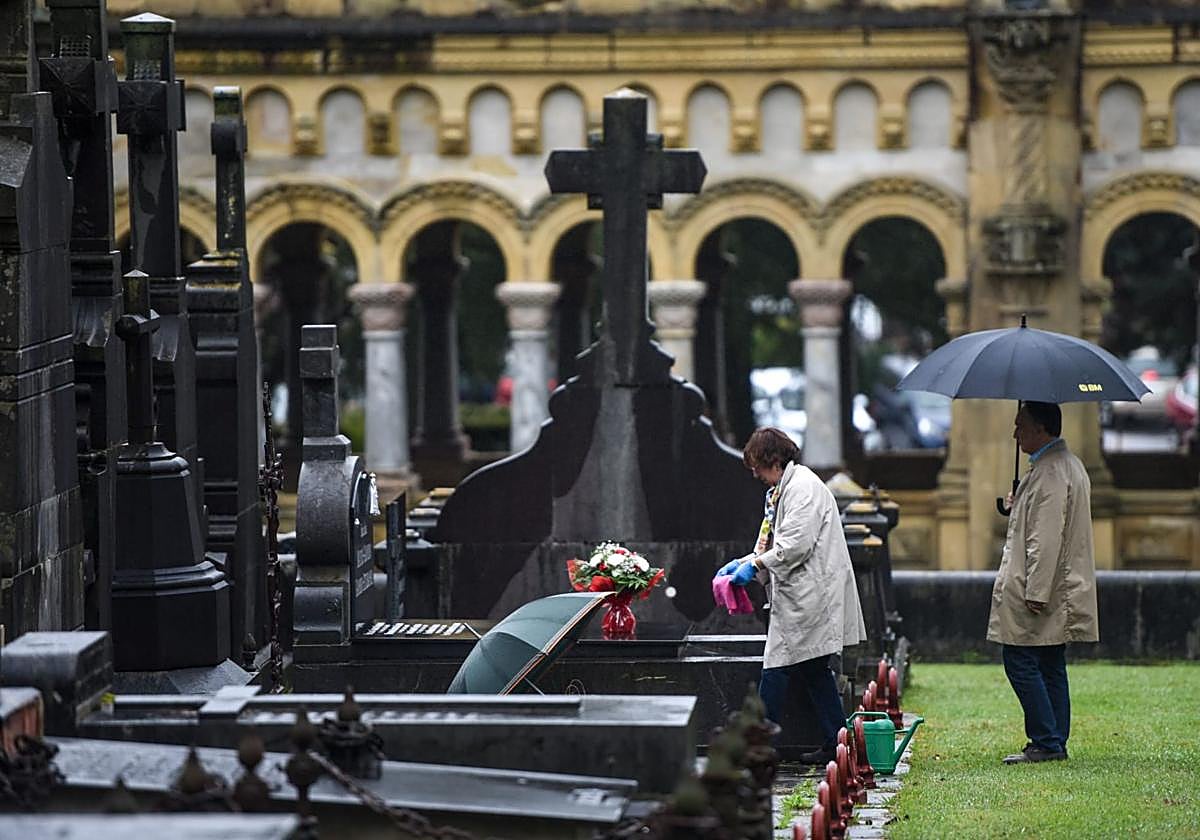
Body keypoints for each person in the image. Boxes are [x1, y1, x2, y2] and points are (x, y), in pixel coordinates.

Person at [715, 427, 867, 764]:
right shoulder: (783, 490)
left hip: (810, 595)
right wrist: (743, 562)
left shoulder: (802, 488)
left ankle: (755, 746)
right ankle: (837, 743)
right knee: (814, 670)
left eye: (757, 465)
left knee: (776, 666)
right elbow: (772, 544)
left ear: (773, 460)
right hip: (801, 594)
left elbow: (795, 546)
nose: (754, 473)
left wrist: (754, 567)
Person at [988, 401, 1099, 765]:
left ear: (1041, 429)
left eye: (1020, 425)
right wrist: (1017, 504)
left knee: (1019, 658)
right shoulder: (1065, 465)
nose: (1015, 433)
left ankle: (1046, 740)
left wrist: (1035, 591)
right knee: (1050, 661)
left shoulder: (1050, 472)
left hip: (1042, 585)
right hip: (1059, 583)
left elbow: (1045, 538)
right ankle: (1053, 740)